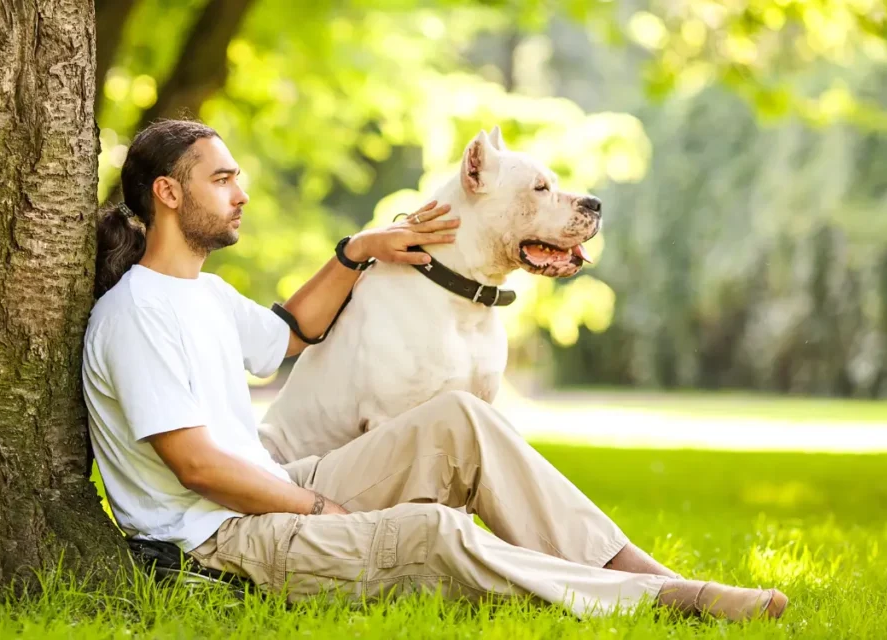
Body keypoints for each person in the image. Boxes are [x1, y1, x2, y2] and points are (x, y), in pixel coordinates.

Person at [81, 119, 788, 621]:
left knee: (461, 422)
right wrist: (320, 509)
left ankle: (648, 573)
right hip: (216, 543)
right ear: (169, 195)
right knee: (433, 532)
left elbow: (288, 338)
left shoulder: (200, 292)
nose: (242, 192)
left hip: (268, 491)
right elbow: (198, 468)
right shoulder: (138, 313)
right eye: (223, 178)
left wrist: (360, 249)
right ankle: (666, 606)